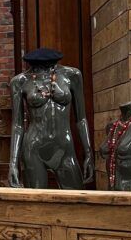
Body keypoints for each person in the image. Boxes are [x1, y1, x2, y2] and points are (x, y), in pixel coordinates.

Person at [8, 47, 93, 189]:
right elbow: (17, 125)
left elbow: (81, 119)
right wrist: (13, 164)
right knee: (36, 203)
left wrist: (89, 153)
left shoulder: (72, 75)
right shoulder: (20, 81)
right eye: (38, 67)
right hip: (34, 147)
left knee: (75, 199)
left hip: (64, 147)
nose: (43, 70)